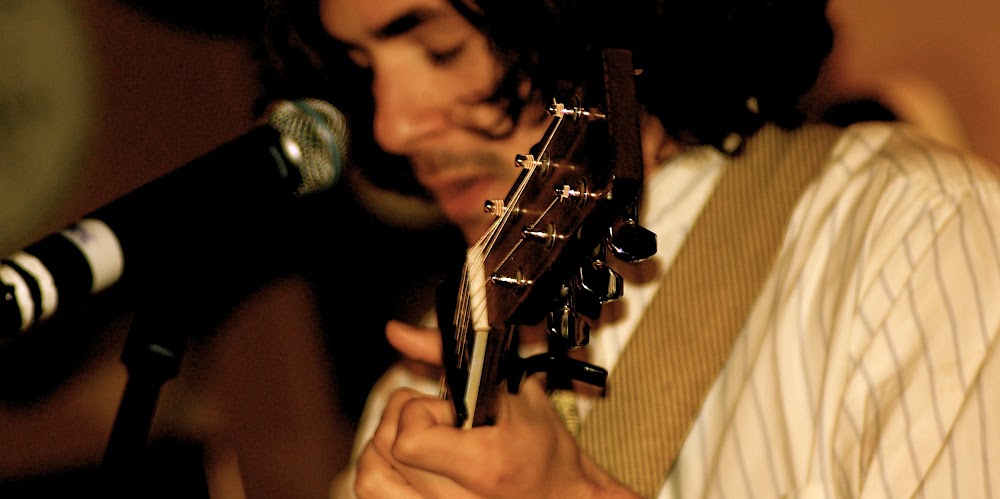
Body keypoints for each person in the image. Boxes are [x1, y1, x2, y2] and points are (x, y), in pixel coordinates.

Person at [263, 0, 1000, 497]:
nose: (390, 126)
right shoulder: (419, 387)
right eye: (362, 68)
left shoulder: (914, 231)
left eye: (441, 48)